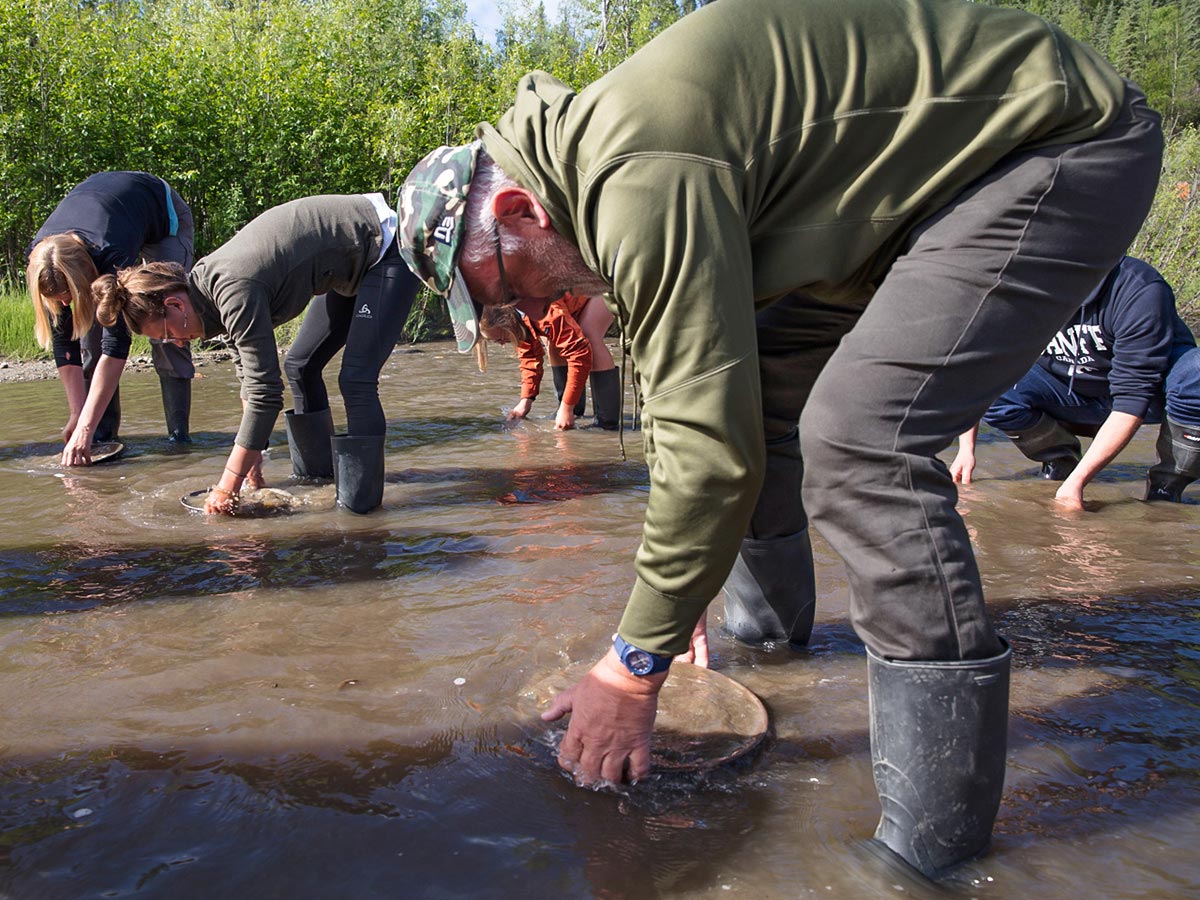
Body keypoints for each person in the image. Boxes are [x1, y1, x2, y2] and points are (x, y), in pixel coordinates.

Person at [397, 0, 1162, 877]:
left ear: (521, 209)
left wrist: (632, 665)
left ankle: (932, 855)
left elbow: (705, 448)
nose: (522, 315)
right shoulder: (602, 176)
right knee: (759, 403)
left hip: (1052, 144)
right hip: (888, 207)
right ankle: (772, 655)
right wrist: (677, 602)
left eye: (498, 289)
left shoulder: (635, 172)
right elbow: (697, 409)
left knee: (862, 444)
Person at [93, 193, 421, 515]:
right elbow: (251, 383)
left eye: (167, 335)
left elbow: (266, 395)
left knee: (356, 379)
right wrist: (251, 462)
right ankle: (318, 483)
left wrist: (227, 485)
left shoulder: (233, 289)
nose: (177, 344)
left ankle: (359, 510)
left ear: (175, 305)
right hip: (346, 268)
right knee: (300, 366)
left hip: (383, 245)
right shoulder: (208, 297)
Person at [950, 256, 1200, 508]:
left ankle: (1166, 487)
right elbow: (978, 369)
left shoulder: (1139, 288)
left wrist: (1077, 484)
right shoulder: (1017, 289)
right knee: (997, 393)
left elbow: (1132, 399)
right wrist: (966, 450)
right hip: (1069, 390)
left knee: (1196, 373)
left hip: (1153, 395)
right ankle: (1060, 460)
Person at [25, 171, 196, 464]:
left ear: (84, 276)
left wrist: (83, 428)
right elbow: (64, 341)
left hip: (161, 217)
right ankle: (104, 439)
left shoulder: (110, 255)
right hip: (114, 217)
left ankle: (178, 439)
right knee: (88, 339)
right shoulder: (42, 259)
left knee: (164, 324)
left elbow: (117, 346)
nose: (65, 304)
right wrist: (77, 416)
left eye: (69, 296)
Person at [480, 293, 620, 430]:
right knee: (554, 342)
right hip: (574, 302)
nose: (503, 344)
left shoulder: (543, 310)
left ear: (507, 323)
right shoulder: (518, 322)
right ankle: (574, 411)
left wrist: (567, 406)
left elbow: (579, 354)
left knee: (589, 333)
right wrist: (525, 402)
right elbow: (529, 358)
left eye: (501, 338)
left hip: (600, 288)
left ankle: (607, 421)